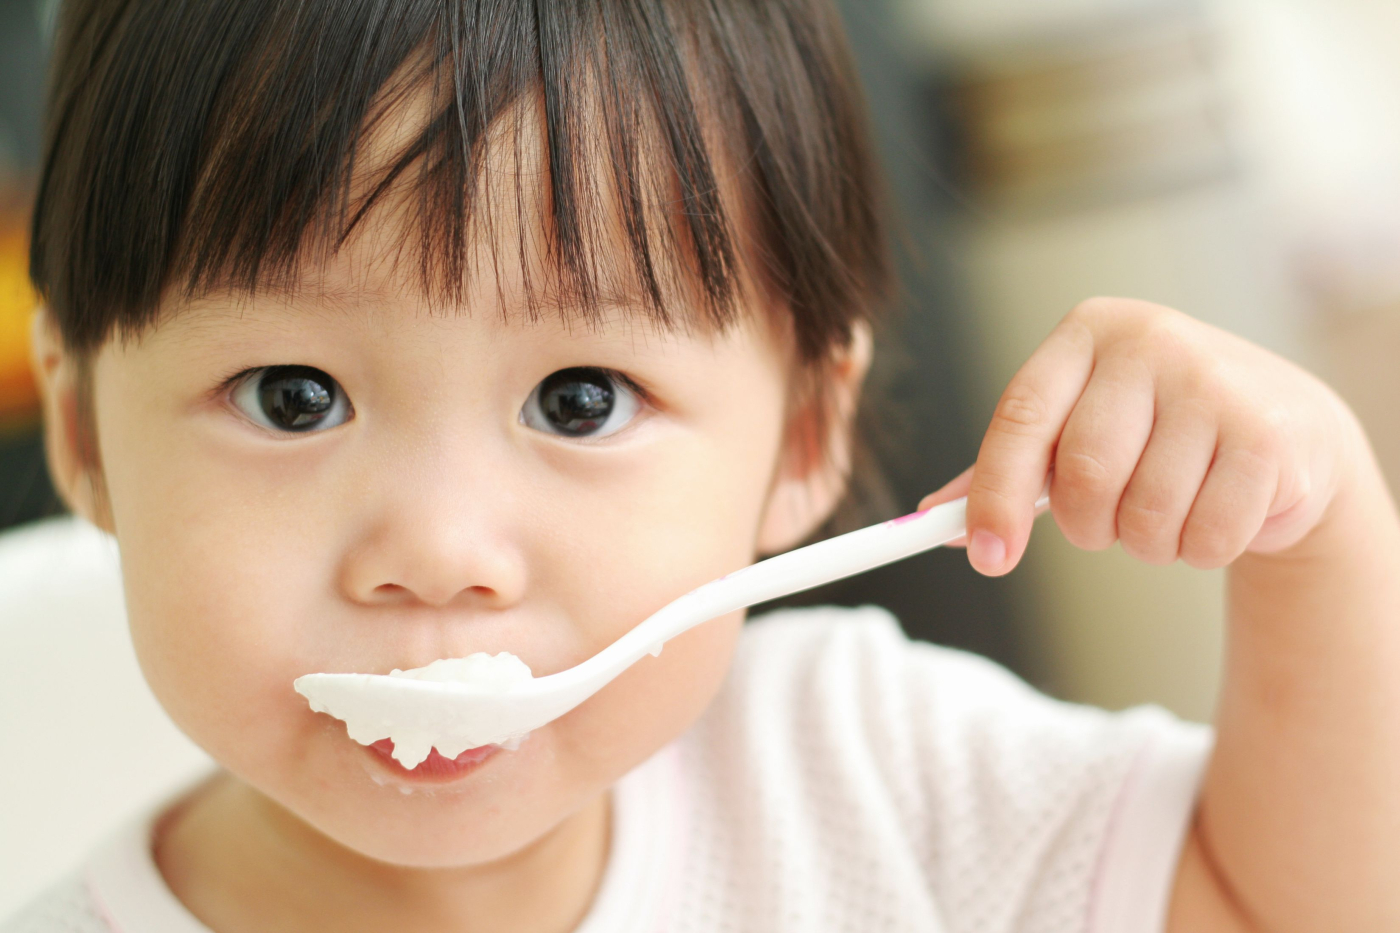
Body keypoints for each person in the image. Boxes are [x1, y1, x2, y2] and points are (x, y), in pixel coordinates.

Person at [5, 0, 1398, 931]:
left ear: (799, 438)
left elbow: (1289, 905)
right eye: (293, 397)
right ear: (83, 436)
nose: (438, 548)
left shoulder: (863, 775)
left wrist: (1317, 534)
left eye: (581, 396)